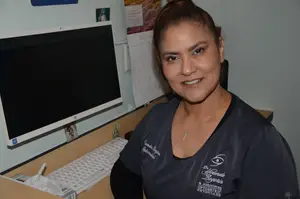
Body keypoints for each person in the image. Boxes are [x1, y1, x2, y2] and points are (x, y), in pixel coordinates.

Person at [110, 0, 299, 198]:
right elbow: (123, 173)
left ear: (220, 49)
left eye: (198, 50)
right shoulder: (156, 119)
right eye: (172, 58)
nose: (187, 69)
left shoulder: (260, 142)